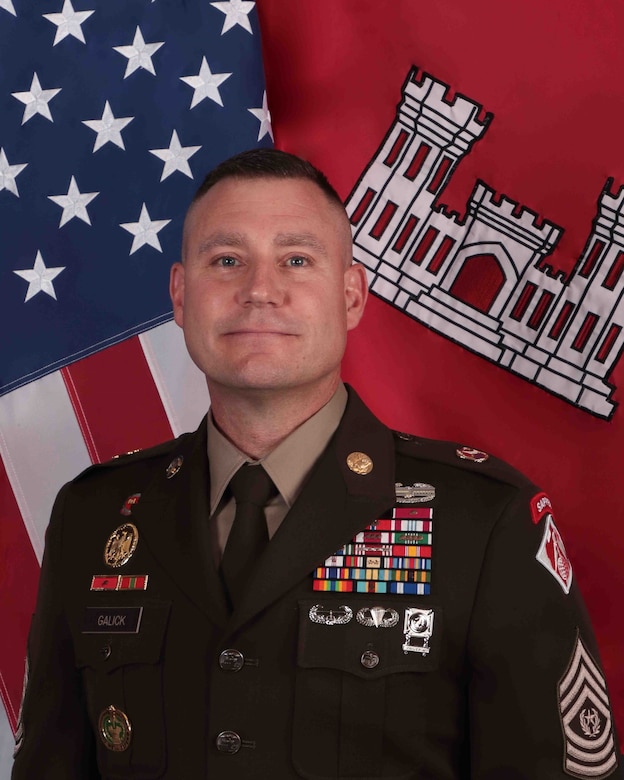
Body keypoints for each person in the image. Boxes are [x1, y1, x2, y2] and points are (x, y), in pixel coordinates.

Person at [12, 149, 620, 779]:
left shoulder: (486, 521)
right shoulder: (94, 515)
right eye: (226, 261)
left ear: (352, 296)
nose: (259, 291)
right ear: (181, 296)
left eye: (296, 260)